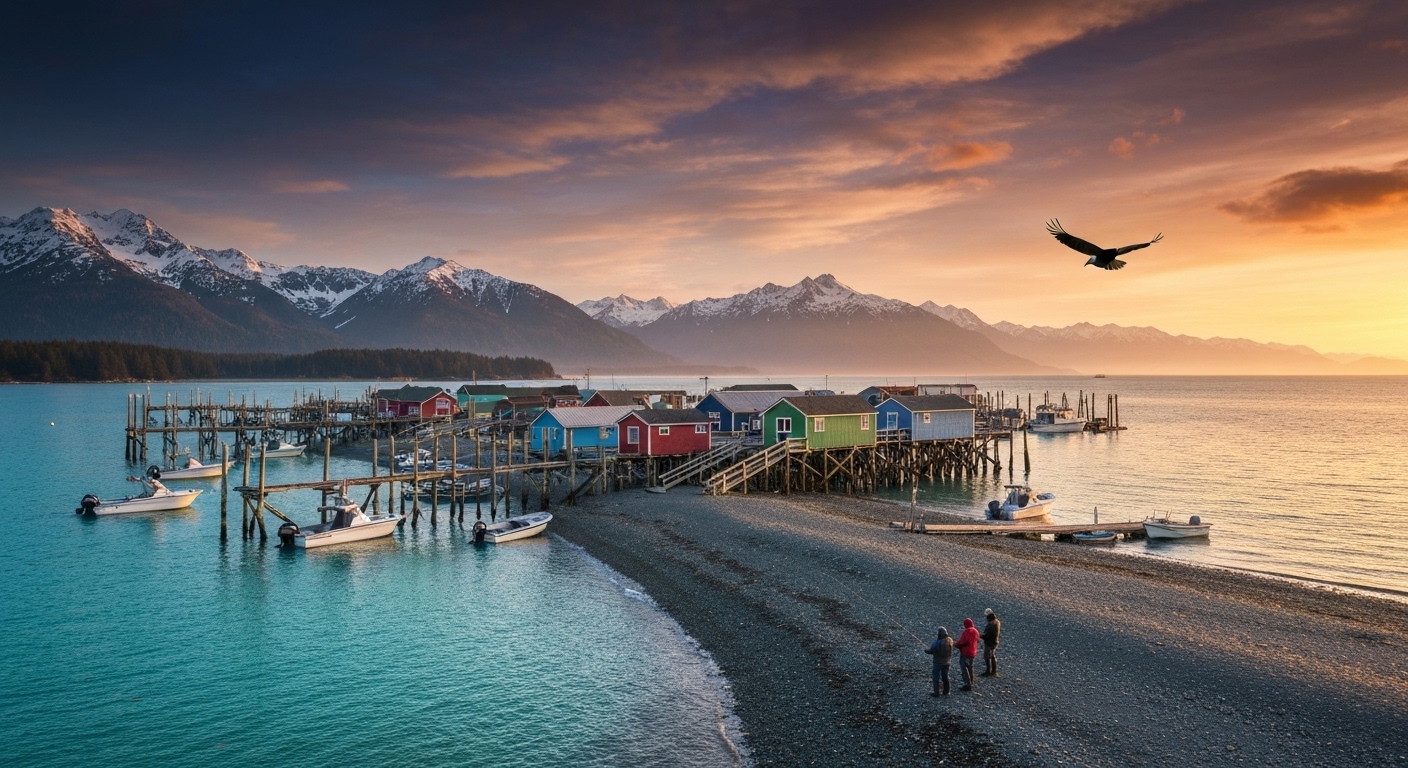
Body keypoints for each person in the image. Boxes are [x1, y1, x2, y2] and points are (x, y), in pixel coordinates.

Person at [924, 627, 953, 696]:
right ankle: (946, 691)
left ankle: (936, 693)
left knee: (936, 678)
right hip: (947, 662)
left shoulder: (936, 643)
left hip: (938, 663)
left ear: (939, 634)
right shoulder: (950, 641)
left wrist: (926, 650)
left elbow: (931, 651)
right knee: (945, 677)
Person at [955, 617, 980, 691]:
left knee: (964, 668)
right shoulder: (976, 631)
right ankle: (971, 681)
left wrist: (955, 644)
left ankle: (967, 684)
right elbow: (977, 640)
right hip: (973, 652)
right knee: (970, 667)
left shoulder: (966, 631)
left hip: (965, 652)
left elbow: (962, 642)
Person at [981, 608, 1001, 677]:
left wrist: (980, 635)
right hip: (995, 642)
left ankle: (988, 671)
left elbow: (987, 636)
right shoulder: (997, 622)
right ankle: (994, 671)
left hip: (989, 643)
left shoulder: (990, 626)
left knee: (987, 656)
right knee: (992, 656)